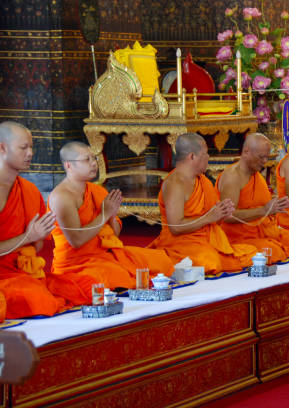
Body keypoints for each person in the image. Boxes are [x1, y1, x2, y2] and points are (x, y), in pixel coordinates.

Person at [47, 141, 174, 306]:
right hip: (76, 263)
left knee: (161, 261)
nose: (94, 163)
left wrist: (112, 216)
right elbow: (76, 240)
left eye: (94, 158)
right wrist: (104, 214)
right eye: (87, 160)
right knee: (116, 277)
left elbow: (113, 235)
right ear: (68, 165)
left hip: (105, 255)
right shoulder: (62, 197)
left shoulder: (97, 191)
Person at [148, 133, 257, 275]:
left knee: (253, 253)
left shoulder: (203, 181)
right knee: (210, 261)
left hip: (207, 242)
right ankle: (172, 262)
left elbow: (212, 220)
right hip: (181, 244)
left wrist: (221, 213)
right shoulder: (175, 183)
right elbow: (175, 227)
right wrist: (208, 217)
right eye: (205, 154)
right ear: (192, 156)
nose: (208, 158)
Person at [0, 121, 64, 320]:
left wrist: (37, 236)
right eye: (23, 147)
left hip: (23, 273)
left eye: (32, 147)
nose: (30, 153)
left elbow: (35, 247)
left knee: (72, 288)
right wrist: (29, 235)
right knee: (37, 299)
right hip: (4, 276)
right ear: (2, 148)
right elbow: (28, 238)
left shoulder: (29, 190)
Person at [216, 133, 289, 262]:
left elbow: (259, 202)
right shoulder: (232, 177)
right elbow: (228, 216)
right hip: (239, 238)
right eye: (261, 157)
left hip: (266, 232)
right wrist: (264, 210)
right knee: (274, 251)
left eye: (267, 157)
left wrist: (275, 204)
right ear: (246, 151)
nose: (265, 161)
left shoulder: (256, 175)